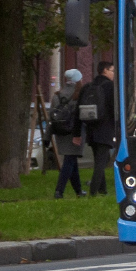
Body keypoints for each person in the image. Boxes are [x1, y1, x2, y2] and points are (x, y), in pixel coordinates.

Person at [83, 61, 117, 196]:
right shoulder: (109, 87)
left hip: (91, 128)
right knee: (100, 163)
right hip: (105, 128)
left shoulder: (88, 86)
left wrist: (77, 132)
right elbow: (113, 108)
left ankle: (103, 190)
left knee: (100, 158)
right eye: (112, 70)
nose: (113, 73)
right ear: (105, 71)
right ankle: (93, 193)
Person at [51, 69, 85, 199]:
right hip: (75, 132)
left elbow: (52, 115)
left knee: (71, 160)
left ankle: (78, 190)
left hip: (61, 132)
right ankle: (59, 191)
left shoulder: (57, 95)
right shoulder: (80, 94)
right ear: (78, 80)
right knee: (69, 161)